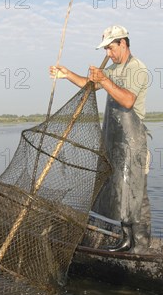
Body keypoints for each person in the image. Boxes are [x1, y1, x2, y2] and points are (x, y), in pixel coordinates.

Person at [50, 25, 151, 253]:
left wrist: (104, 79)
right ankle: (126, 239)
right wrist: (66, 74)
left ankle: (142, 247)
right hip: (117, 142)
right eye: (105, 49)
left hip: (133, 143)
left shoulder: (137, 68)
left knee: (137, 195)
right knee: (119, 189)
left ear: (122, 44)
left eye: (110, 48)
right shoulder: (115, 69)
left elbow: (127, 101)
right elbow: (91, 85)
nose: (107, 54)